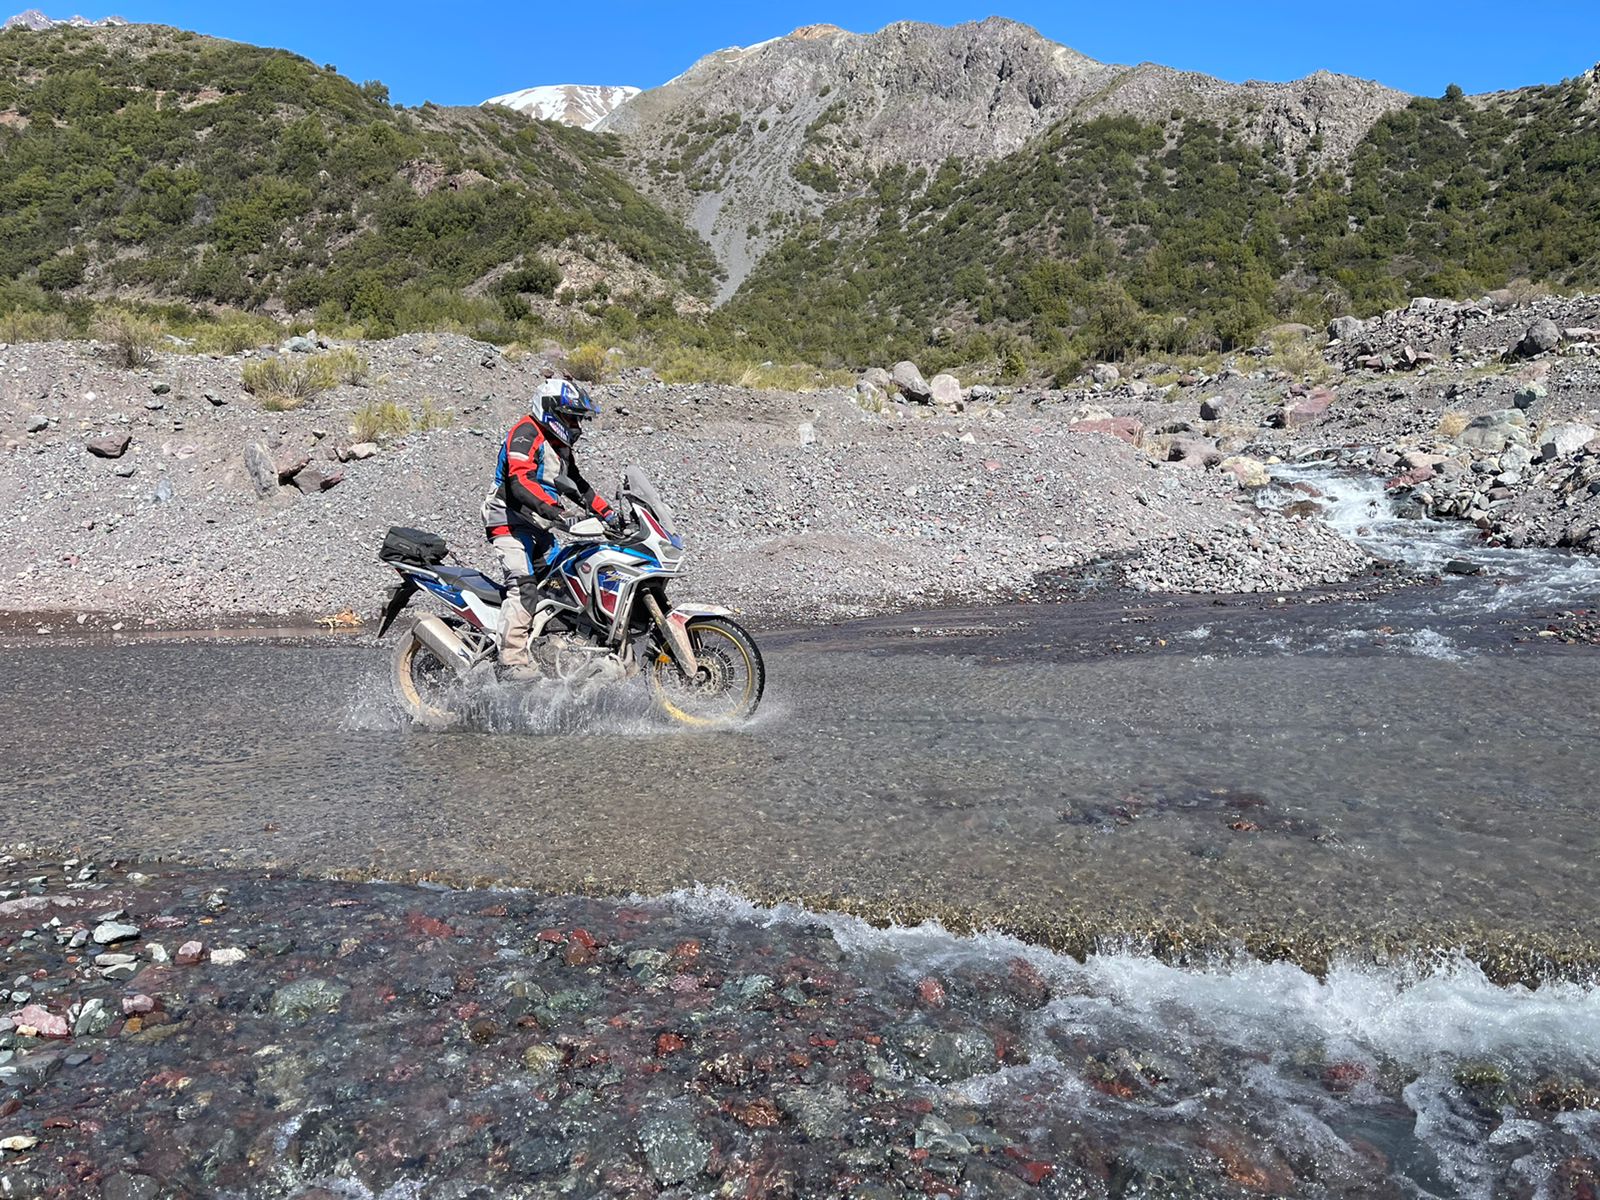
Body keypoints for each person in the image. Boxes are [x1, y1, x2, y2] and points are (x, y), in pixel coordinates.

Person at [482, 376, 617, 677]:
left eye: (578, 419)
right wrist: (558, 513)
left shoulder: (559, 445)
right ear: (551, 411)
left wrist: (611, 516)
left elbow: (578, 485)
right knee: (524, 587)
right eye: (571, 417)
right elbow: (519, 482)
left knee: (563, 583)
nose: (576, 426)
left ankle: (551, 650)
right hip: (508, 522)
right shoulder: (525, 432)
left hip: (538, 527)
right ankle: (511, 660)